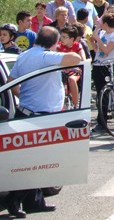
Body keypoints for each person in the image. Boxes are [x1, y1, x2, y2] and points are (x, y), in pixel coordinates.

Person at [6, 26, 83, 217]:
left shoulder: (24, 56)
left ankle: (34, 202)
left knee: (33, 161)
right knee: (38, 162)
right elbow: (76, 59)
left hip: (26, 112)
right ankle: (14, 200)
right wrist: (68, 48)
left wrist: (24, 96)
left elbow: (11, 81)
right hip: (40, 117)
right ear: (53, 43)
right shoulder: (45, 56)